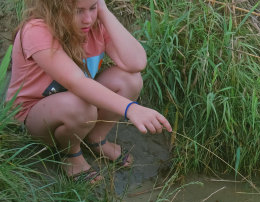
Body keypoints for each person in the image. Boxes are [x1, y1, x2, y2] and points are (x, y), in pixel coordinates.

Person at [5, 0, 172, 183]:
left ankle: (96, 138)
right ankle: (71, 155)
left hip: (75, 105)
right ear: (55, 8)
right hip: (34, 117)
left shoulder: (94, 24)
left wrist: (104, 11)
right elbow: (76, 82)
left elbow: (136, 62)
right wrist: (130, 108)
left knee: (130, 80)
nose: (88, 19)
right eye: (78, 11)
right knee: (81, 106)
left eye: (93, 8)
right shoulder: (37, 30)